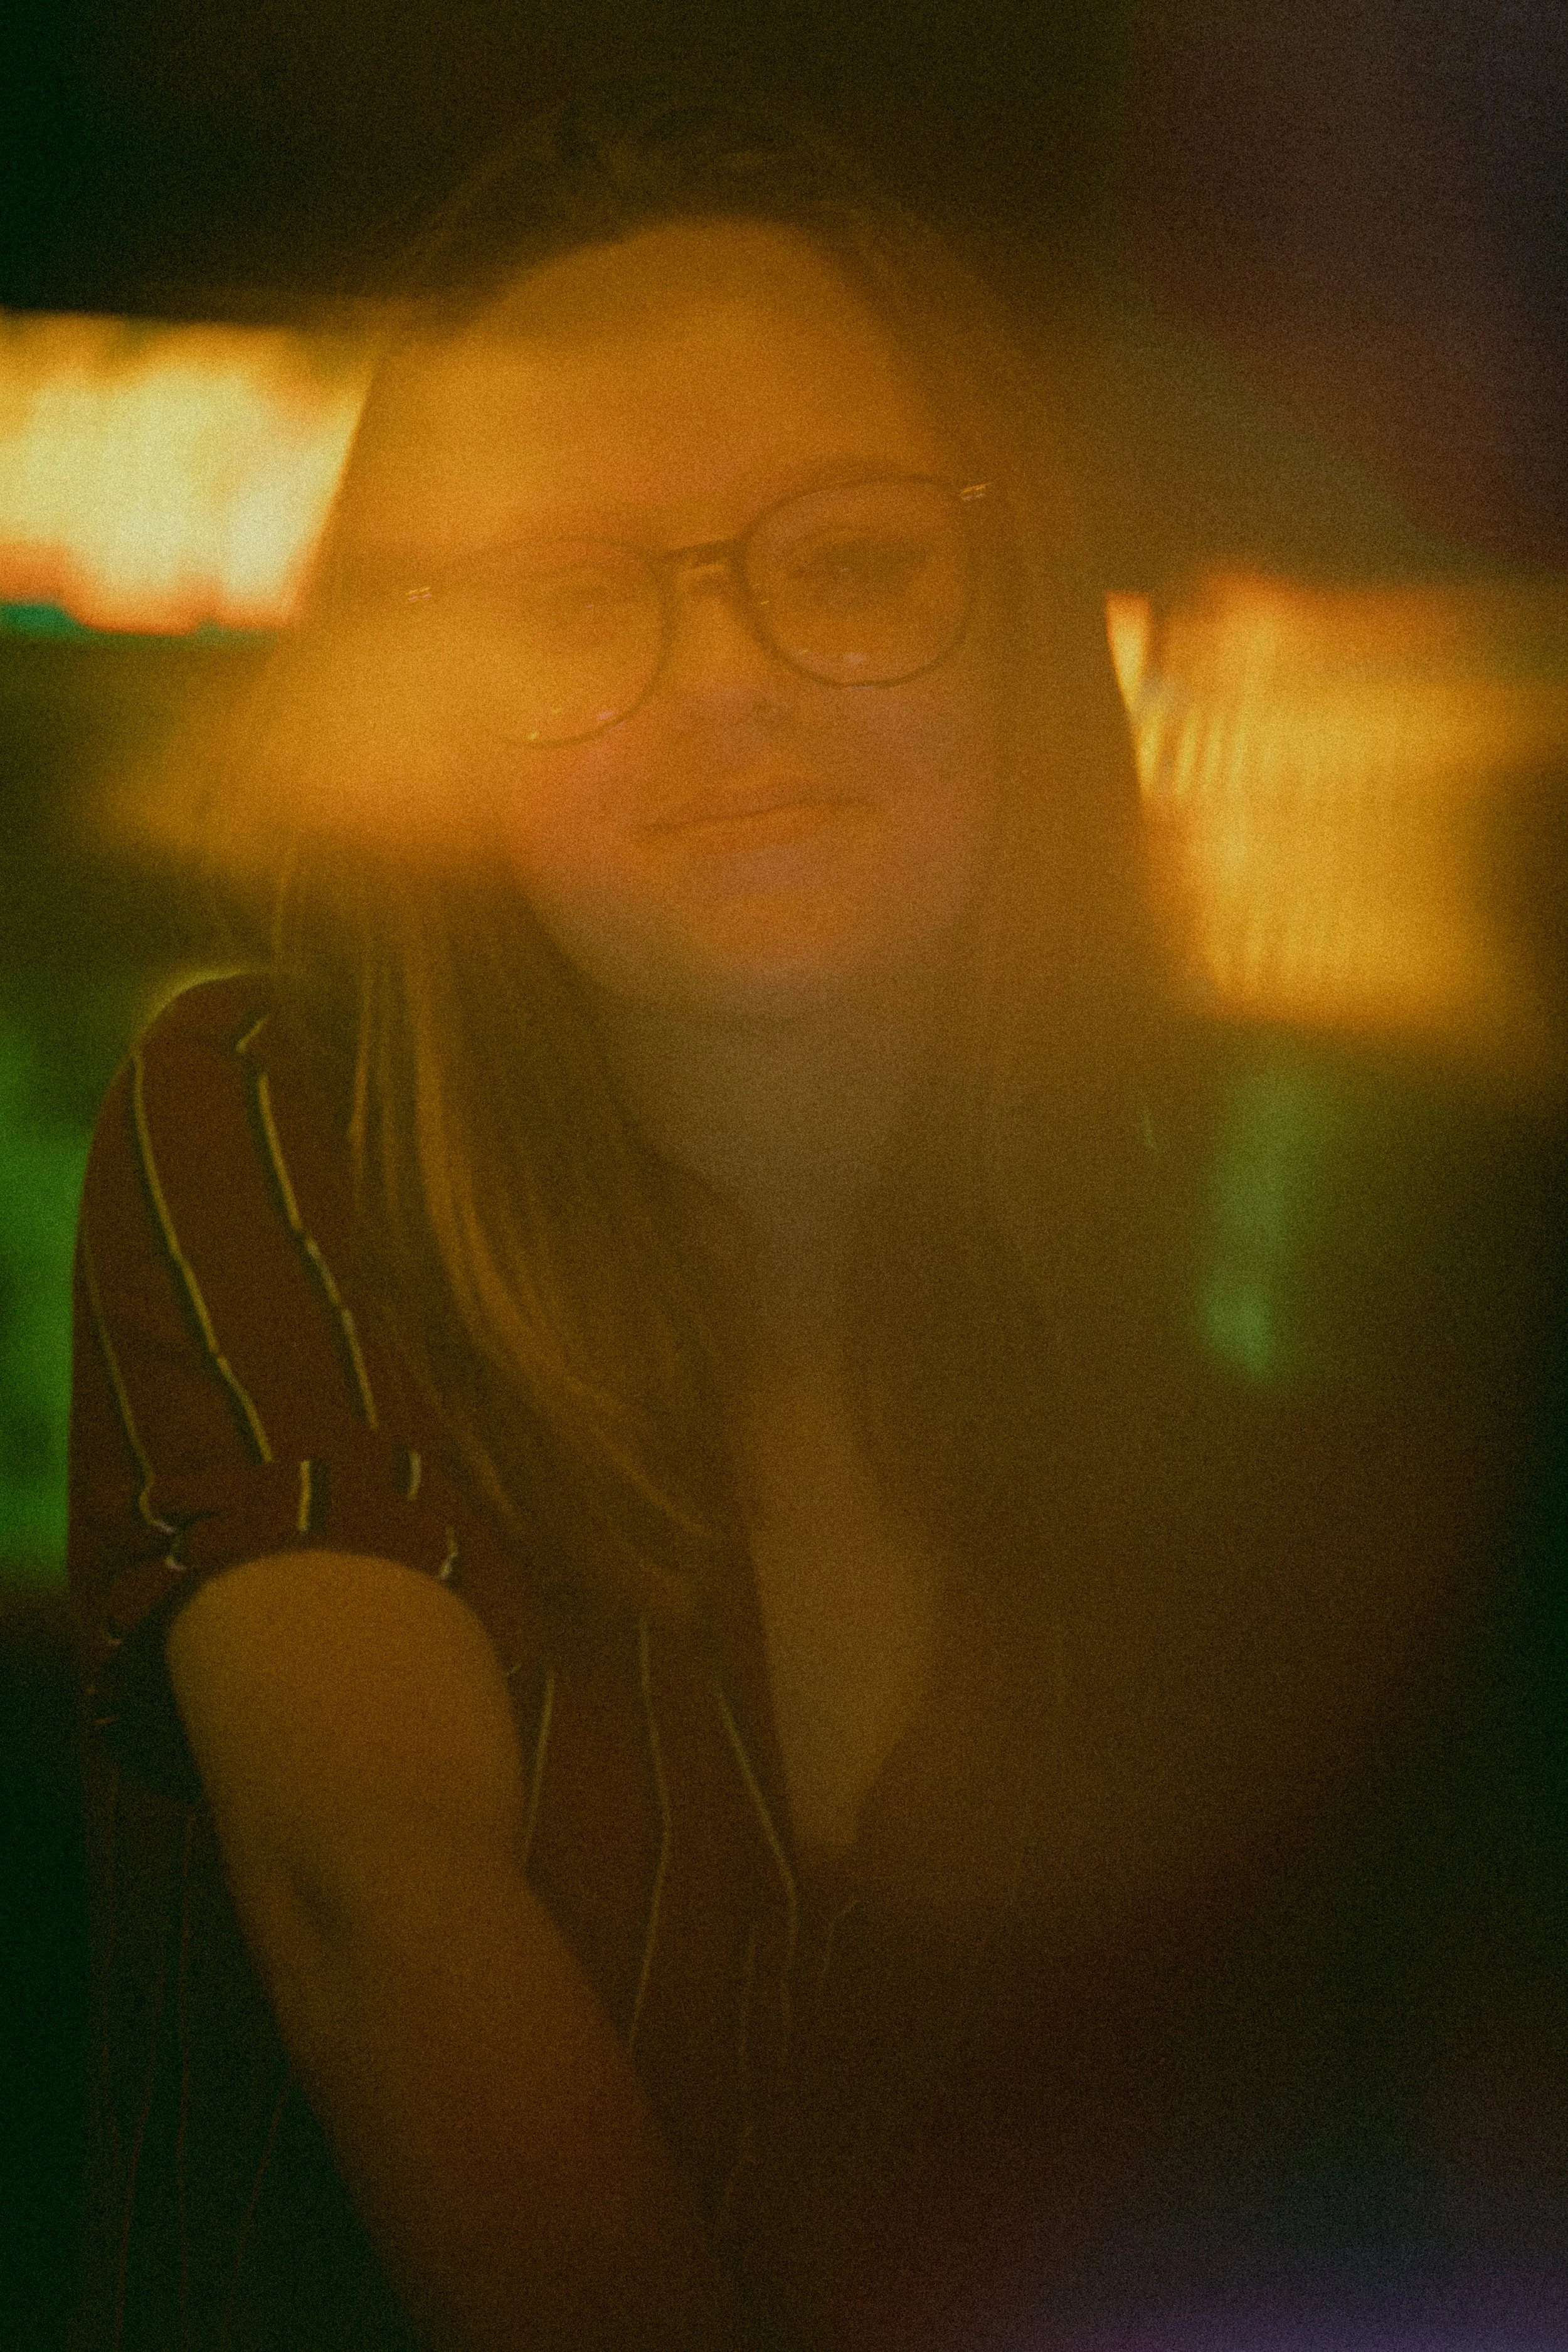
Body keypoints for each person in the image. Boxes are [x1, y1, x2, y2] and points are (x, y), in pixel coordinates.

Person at [66, 88, 1543, 2352]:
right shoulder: (273, 1121)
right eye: (577, 596)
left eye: (846, 562)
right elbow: (377, 1916)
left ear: (1006, 631)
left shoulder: (1219, 1271)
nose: (730, 678)